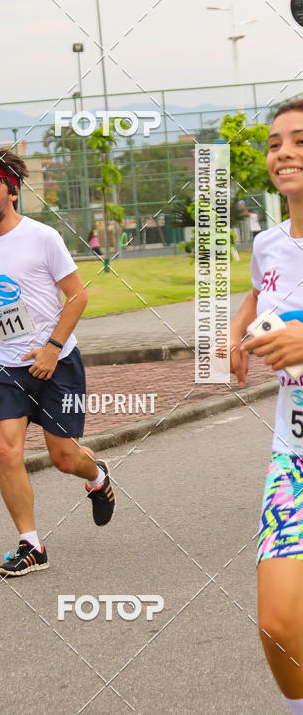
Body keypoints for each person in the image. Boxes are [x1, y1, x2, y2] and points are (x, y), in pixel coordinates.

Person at [0, 147, 115, 578]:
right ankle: (31, 545)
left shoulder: (43, 237)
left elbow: (78, 295)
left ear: (12, 190)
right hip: (5, 366)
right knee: (6, 450)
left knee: (64, 458)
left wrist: (51, 346)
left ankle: (97, 477)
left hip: (56, 362)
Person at [229, 99, 303, 713]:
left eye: (301, 140)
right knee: (279, 626)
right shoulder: (270, 244)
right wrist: (236, 333)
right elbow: (256, 296)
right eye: (277, 143)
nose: (284, 152)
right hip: (294, 457)